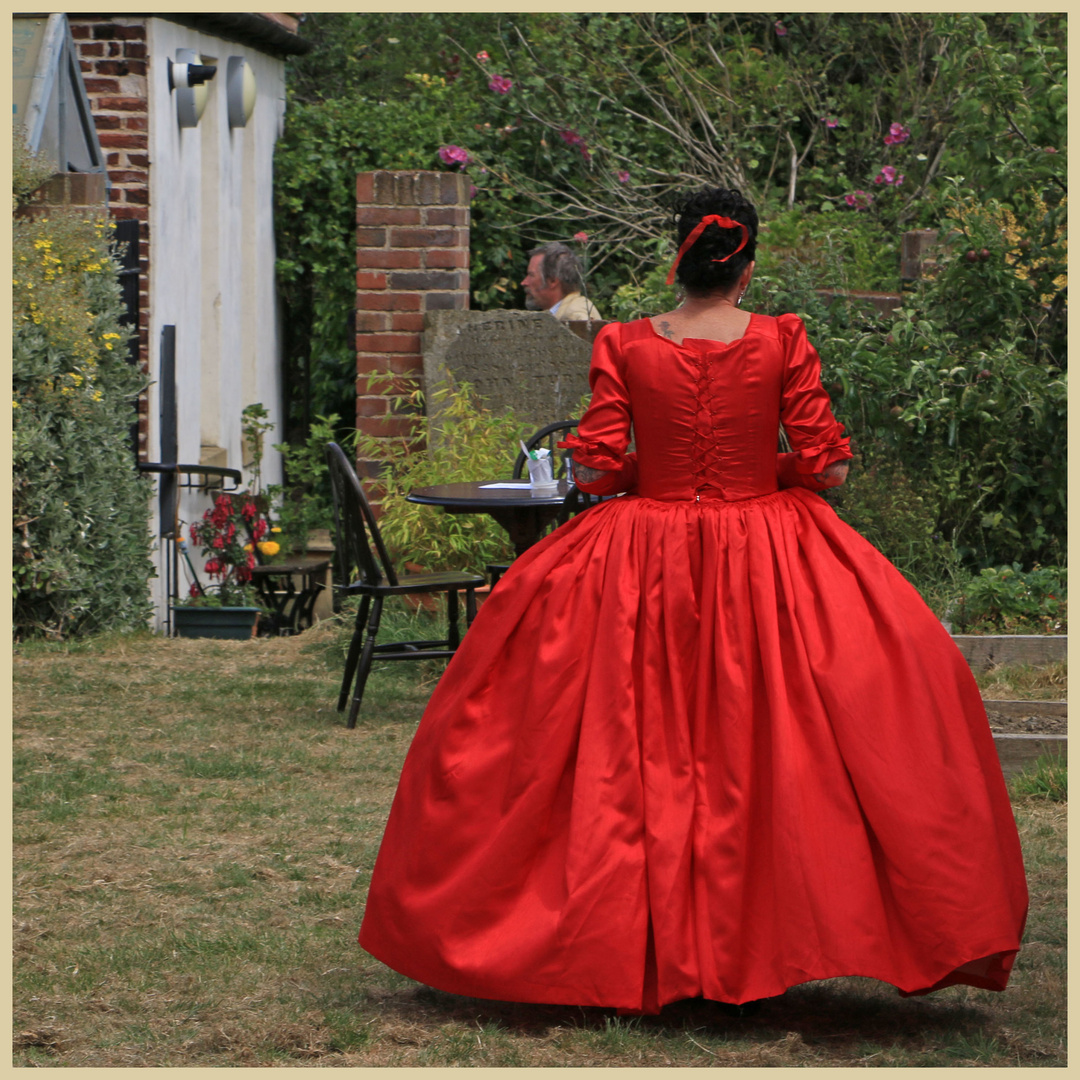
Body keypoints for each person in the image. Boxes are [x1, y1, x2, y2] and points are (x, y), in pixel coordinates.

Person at [359, 187, 1027, 1015]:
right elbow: (830, 471)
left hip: (641, 552)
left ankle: (619, 942)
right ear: (745, 268)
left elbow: (597, 472)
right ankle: (774, 934)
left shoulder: (625, 342)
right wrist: (764, 476)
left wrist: (653, 477)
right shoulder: (784, 339)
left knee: (620, 737)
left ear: (680, 258)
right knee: (794, 731)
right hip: (770, 545)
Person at [521, 241, 602, 321]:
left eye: (531, 275)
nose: (524, 282)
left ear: (553, 281)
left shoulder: (574, 317)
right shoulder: (564, 312)